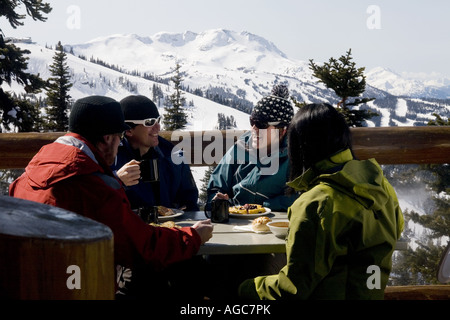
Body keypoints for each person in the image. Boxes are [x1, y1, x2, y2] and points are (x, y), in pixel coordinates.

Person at [9, 95, 213, 299]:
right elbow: (140, 246)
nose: (120, 145)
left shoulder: (30, 173)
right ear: (108, 138)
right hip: (80, 286)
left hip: (34, 283)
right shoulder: (94, 186)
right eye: (120, 137)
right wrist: (192, 237)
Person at [238, 103, 404, 300]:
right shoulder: (381, 186)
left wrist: (245, 288)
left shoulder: (317, 203)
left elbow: (293, 288)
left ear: (300, 147)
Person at [206, 84, 298, 211]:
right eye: (252, 121)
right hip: (236, 219)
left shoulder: (295, 155)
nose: (254, 128)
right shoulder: (240, 148)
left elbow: (301, 197)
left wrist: (263, 207)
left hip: (276, 223)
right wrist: (219, 202)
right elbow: (216, 186)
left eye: (261, 124)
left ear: (282, 131)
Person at [111, 94, 199, 211]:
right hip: (127, 226)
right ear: (128, 130)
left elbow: (189, 196)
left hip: (169, 225)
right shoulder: (111, 156)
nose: (157, 127)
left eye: (158, 120)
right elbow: (96, 199)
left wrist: (185, 209)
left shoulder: (171, 154)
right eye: (149, 122)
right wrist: (117, 180)